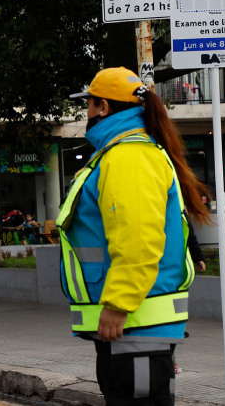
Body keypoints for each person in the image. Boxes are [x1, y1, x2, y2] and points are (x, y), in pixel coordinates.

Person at [58, 67, 212, 406]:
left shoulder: (128, 156)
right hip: (134, 329)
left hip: (134, 325)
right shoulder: (127, 152)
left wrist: (119, 303)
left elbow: (138, 237)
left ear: (103, 107)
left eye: (89, 104)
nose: (86, 113)